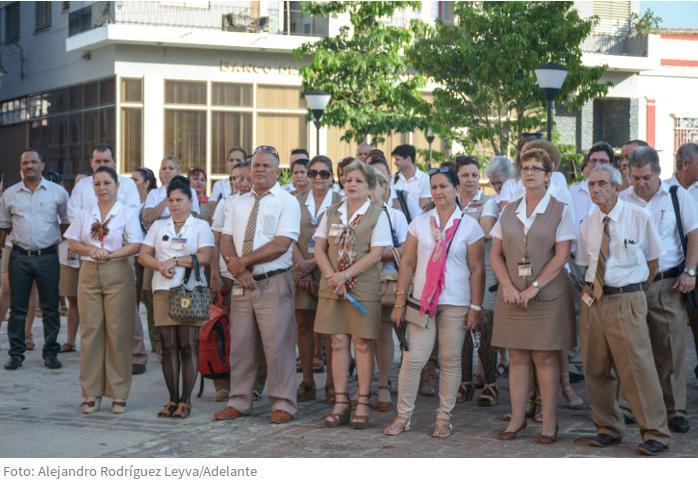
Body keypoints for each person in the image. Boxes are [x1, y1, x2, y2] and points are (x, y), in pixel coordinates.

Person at [576, 164, 671, 456]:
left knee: (637, 368)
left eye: (603, 184)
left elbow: (654, 263)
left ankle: (655, 432)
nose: (596, 190)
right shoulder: (588, 223)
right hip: (594, 300)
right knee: (595, 367)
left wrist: (635, 293)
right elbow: (585, 264)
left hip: (627, 298)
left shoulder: (638, 217)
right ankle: (607, 427)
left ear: (617, 186)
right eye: (592, 185)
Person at [384, 165, 484, 437]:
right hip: (422, 302)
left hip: (455, 301)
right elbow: (407, 262)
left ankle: (443, 418)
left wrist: (475, 307)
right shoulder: (420, 222)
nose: (439, 192)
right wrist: (399, 301)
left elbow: (477, 269)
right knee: (412, 358)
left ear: (455, 189)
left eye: (444, 186)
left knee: (450, 359)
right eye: (434, 187)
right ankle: (403, 416)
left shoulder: (469, 226)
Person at [491, 148, 576, 444]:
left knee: (544, 356)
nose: (529, 173)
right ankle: (517, 419)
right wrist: (508, 286)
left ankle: (549, 422)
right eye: (525, 168)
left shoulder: (561, 209)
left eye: (536, 168)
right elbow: (495, 255)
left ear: (548, 175)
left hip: (547, 296)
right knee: (516, 356)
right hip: (512, 296)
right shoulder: (508, 209)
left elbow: (562, 255)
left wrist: (534, 287)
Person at [214, 145, 301, 424]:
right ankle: (239, 400)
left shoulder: (287, 202)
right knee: (240, 345)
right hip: (241, 283)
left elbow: (281, 243)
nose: (260, 169)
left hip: (272, 281)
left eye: (266, 166)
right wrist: (235, 267)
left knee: (278, 347)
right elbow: (225, 238)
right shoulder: (237, 202)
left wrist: (243, 262)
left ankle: (283, 403)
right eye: (256, 166)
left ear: (278, 172)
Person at [620, 146, 697, 434]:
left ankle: (675, 409)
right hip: (631, 283)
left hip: (667, 282)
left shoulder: (678, 196)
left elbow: (694, 235)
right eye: (635, 177)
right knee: (634, 349)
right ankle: (632, 406)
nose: (640, 184)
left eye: (646, 178)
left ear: (659, 173)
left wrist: (690, 271)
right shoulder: (622, 199)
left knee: (671, 348)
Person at [313, 160, 392, 428]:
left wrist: (345, 275)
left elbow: (377, 253)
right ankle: (341, 401)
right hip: (332, 285)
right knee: (337, 342)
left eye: (358, 181)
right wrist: (332, 277)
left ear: (370, 187)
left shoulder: (378, 213)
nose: (352, 185)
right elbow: (319, 249)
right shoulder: (332, 212)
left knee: (362, 343)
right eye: (348, 181)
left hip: (362, 285)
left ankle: (362, 401)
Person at [65, 166, 143, 414]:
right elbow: (73, 241)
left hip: (117, 270)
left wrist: (110, 254)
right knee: (90, 333)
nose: (101, 188)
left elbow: (135, 244)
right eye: (97, 184)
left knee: (118, 333)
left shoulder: (127, 212)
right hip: (88, 273)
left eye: (106, 183)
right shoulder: (87, 212)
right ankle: (91, 392)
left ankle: (118, 393)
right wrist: (91, 251)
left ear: (117, 186)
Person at [139, 176, 214, 418]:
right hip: (162, 289)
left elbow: (204, 256)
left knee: (187, 345)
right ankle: (172, 398)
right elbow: (143, 255)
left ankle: (186, 400)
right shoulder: (159, 226)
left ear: (190, 201)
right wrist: (159, 266)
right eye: (170, 200)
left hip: (189, 290)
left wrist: (175, 260)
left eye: (179, 199)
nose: (174, 204)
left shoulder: (200, 226)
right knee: (168, 346)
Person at [0, 149, 69, 370]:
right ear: (21, 167)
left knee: (50, 308)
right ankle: (16, 354)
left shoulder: (57, 193)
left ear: (42, 165)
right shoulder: (9, 194)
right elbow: (4, 226)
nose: (29, 165)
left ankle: (50, 352)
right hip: (20, 257)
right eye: (25, 163)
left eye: (33, 162)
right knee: (18, 309)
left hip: (48, 256)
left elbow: (66, 223)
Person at [293, 155, 342, 403]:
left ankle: (333, 385)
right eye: (313, 173)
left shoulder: (341, 203)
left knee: (332, 330)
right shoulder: (295, 200)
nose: (318, 178)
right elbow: (288, 235)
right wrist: (300, 265)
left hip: (329, 270)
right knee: (304, 326)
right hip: (300, 270)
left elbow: (341, 240)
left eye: (324, 173)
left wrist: (314, 262)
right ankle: (308, 381)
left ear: (332, 176)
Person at [453, 156, 499, 406]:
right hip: (458, 268)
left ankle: (491, 384)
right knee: (462, 324)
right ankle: (464, 381)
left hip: (485, 267)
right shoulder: (451, 200)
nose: (470, 180)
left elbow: (482, 233)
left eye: (474, 174)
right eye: (464, 175)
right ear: (456, 178)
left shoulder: (488, 202)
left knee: (484, 321)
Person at [371, 169, 408, 411]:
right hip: (358, 280)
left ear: (385, 188)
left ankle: (383, 383)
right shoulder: (351, 214)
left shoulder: (394, 215)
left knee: (385, 332)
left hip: (385, 280)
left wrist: (375, 254)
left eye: (375, 185)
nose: (371, 190)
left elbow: (405, 248)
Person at [667, 142, 698, 381]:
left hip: (693, 268)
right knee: (673, 331)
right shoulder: (665, 192)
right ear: (685, 163)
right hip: (675, 273)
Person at [131, 167, 159, 356]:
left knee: (150, 301)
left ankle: (156, 344)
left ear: (146, 183)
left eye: (135, 179)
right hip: (132, 255)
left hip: (151, 255)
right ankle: (133, 344)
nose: (131, 182)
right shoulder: (127, 201)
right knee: (130, 301)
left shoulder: (154, 199)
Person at [142, 155, 200, 227]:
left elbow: (192, 215)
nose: (167, 171)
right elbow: (147, 219)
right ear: (160, 173)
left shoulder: (190, 191)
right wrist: (167, 200)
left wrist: (160, 219)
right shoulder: (154, 193)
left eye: (171, 168)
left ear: (178, 172)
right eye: (164, 169)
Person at [368, 156, 422, 223]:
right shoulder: (366, 202)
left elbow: (420, 221)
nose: (378, 178)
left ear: (390, 176)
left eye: (381, 174)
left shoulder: (403, 197)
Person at [392, 144, 431, 209]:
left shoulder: (424, 178)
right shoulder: (395, 178)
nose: (395, 163)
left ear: (408, 159)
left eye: (397, 159)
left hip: (418, 218)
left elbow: (424, 207)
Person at [210, 147, 247, 215]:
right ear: (227, 163)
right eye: (231, 160)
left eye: (238, 160)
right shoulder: (219, 185)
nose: (234, 163)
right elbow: (213, 212)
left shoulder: (252, 185)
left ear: (245, 162)